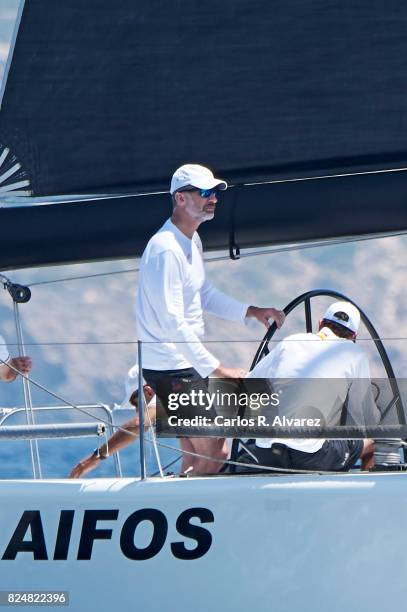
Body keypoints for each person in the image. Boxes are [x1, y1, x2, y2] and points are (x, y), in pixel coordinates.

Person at [136, 164, 285, 475]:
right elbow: (172, 322)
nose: (213, 198)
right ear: (180, 198)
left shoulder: (191, 240)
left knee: (195, 453)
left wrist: (251, 311)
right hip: (171, 365)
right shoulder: (165, 249)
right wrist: (216, 369)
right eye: (204, 192)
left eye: (215, 192)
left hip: (181, 362)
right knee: (216, 449)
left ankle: (181, 505)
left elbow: (204, 294)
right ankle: (195, 516)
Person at [239, 301, 379, 472]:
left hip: (267, 450)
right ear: (353, 337)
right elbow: (366, 418)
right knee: (371, 440)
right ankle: (361, 496)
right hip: (311, 456)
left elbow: (249, 384)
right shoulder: (354, 353)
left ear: (320, 324)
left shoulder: (291, 341)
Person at [69, 364, 157, 478]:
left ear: (149, 392)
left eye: (137, 405)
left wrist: (95, 457)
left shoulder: (166, 395)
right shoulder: (179, 389)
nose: (136, 411)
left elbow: (138, 423)